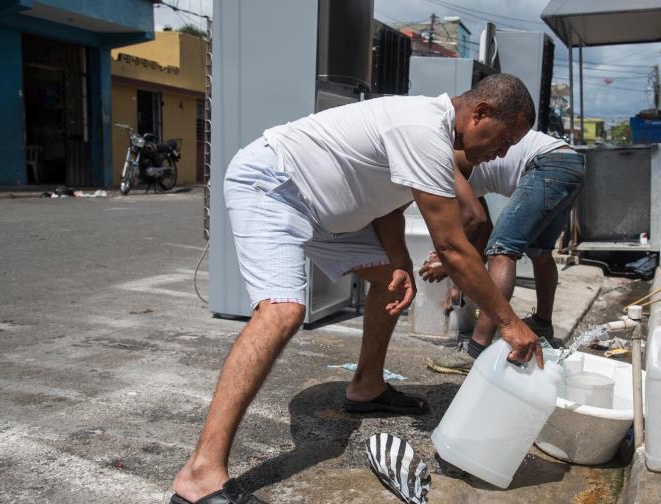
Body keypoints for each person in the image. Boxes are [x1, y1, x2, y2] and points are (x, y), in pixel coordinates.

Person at [169, 74, 545, 504]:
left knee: (390, 283)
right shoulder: (421, 128)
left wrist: (400, 264)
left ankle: (366, 387)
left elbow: (387, 205)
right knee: (283, 311)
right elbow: (454, 247)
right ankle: (199, 477)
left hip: (327, 212)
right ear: (479, 113)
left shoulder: (434, 137)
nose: (503, 152)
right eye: (505, 139)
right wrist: (510, 323)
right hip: (274, 186)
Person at [423, 129, 587, 375]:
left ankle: (475, 352)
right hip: (570, 163)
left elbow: (472, 219)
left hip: (546, 164)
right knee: (539, 252)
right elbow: (482, 227)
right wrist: (459, 281)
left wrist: (446, 263)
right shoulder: (458, 169)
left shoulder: (439, 161)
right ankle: (543, 324)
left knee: (501, 252)